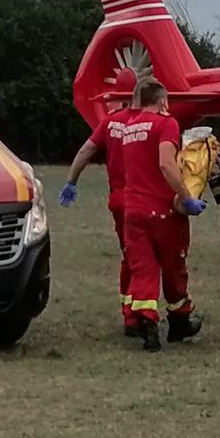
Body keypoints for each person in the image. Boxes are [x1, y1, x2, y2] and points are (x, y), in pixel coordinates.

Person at [115, 79, 204, 351]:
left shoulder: (129, 128)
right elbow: (166, 164)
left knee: (143, 268)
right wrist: (187, 197)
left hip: (133, 210)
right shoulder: (166, 124)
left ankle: (147, 321)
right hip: (162, 210)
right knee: (174, 268)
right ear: (163, 100)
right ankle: (179, 321)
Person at [59, 68, 140, 334]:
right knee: (146, 258)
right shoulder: (148, 121)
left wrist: (72, 180)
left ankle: (130, 310)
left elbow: (86, 151)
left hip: (118, 199)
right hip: (143, 198)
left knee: (129, 255)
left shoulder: (110, 122)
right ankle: (140, 313)